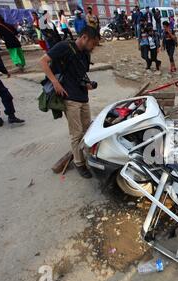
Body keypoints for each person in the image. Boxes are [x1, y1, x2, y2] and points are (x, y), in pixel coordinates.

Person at [39, 26, 100, 179]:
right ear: (84, 37)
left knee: (88, 129)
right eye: (93, 43)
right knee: (76, 133)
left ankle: (87, 156)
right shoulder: (64, 47)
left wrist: (87, 85)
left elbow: (79, 74)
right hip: (69, 97)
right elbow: (43, 61)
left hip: (82, 96)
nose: (94, 47)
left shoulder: (85, 54)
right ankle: (79, 163)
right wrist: (55, 83)